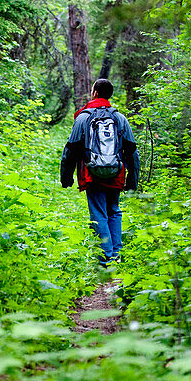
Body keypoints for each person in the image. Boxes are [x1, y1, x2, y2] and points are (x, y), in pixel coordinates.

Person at [60, 78, 140, 267]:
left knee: (98, 213)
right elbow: (131, 151)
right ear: (109, 95)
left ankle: (106, 258)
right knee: (114, 211)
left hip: (92, 173)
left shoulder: (83, 117)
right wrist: (133, 179)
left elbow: (70, 150)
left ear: (94, 93)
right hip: (116, 173)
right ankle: (117, 254)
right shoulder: (119, 118)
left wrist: (66, 176)